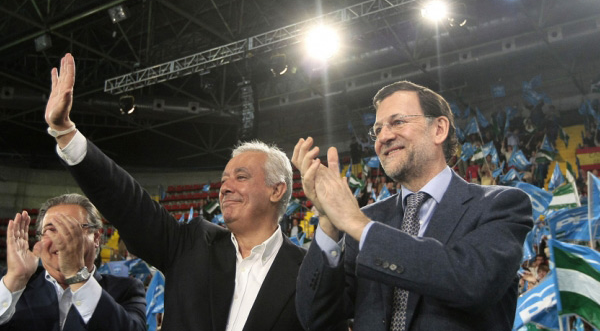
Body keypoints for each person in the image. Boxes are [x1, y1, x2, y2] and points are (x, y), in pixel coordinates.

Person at [44, 53, 306, 330]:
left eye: (241, 177)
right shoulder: (190, 244)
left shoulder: (309, 270)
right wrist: (64, 132)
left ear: (276, 190)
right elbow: (128, 203)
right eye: (224, 178)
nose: (226, 187)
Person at [292, 80, 532, 330]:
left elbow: (474, 283)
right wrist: (329, 223)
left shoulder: (501, 205)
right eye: (377, 130)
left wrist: (359, 225)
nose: (383, 136)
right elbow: (315, 317)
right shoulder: (366, 221)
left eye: (398, 122)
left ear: (439, 129)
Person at [0, 194, 146, 330]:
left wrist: (76, 275)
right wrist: (15, 279)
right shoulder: (11, 285)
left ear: (96, 238)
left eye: (71, 229)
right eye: (51, 230)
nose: (61, 239)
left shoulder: (126, 289)